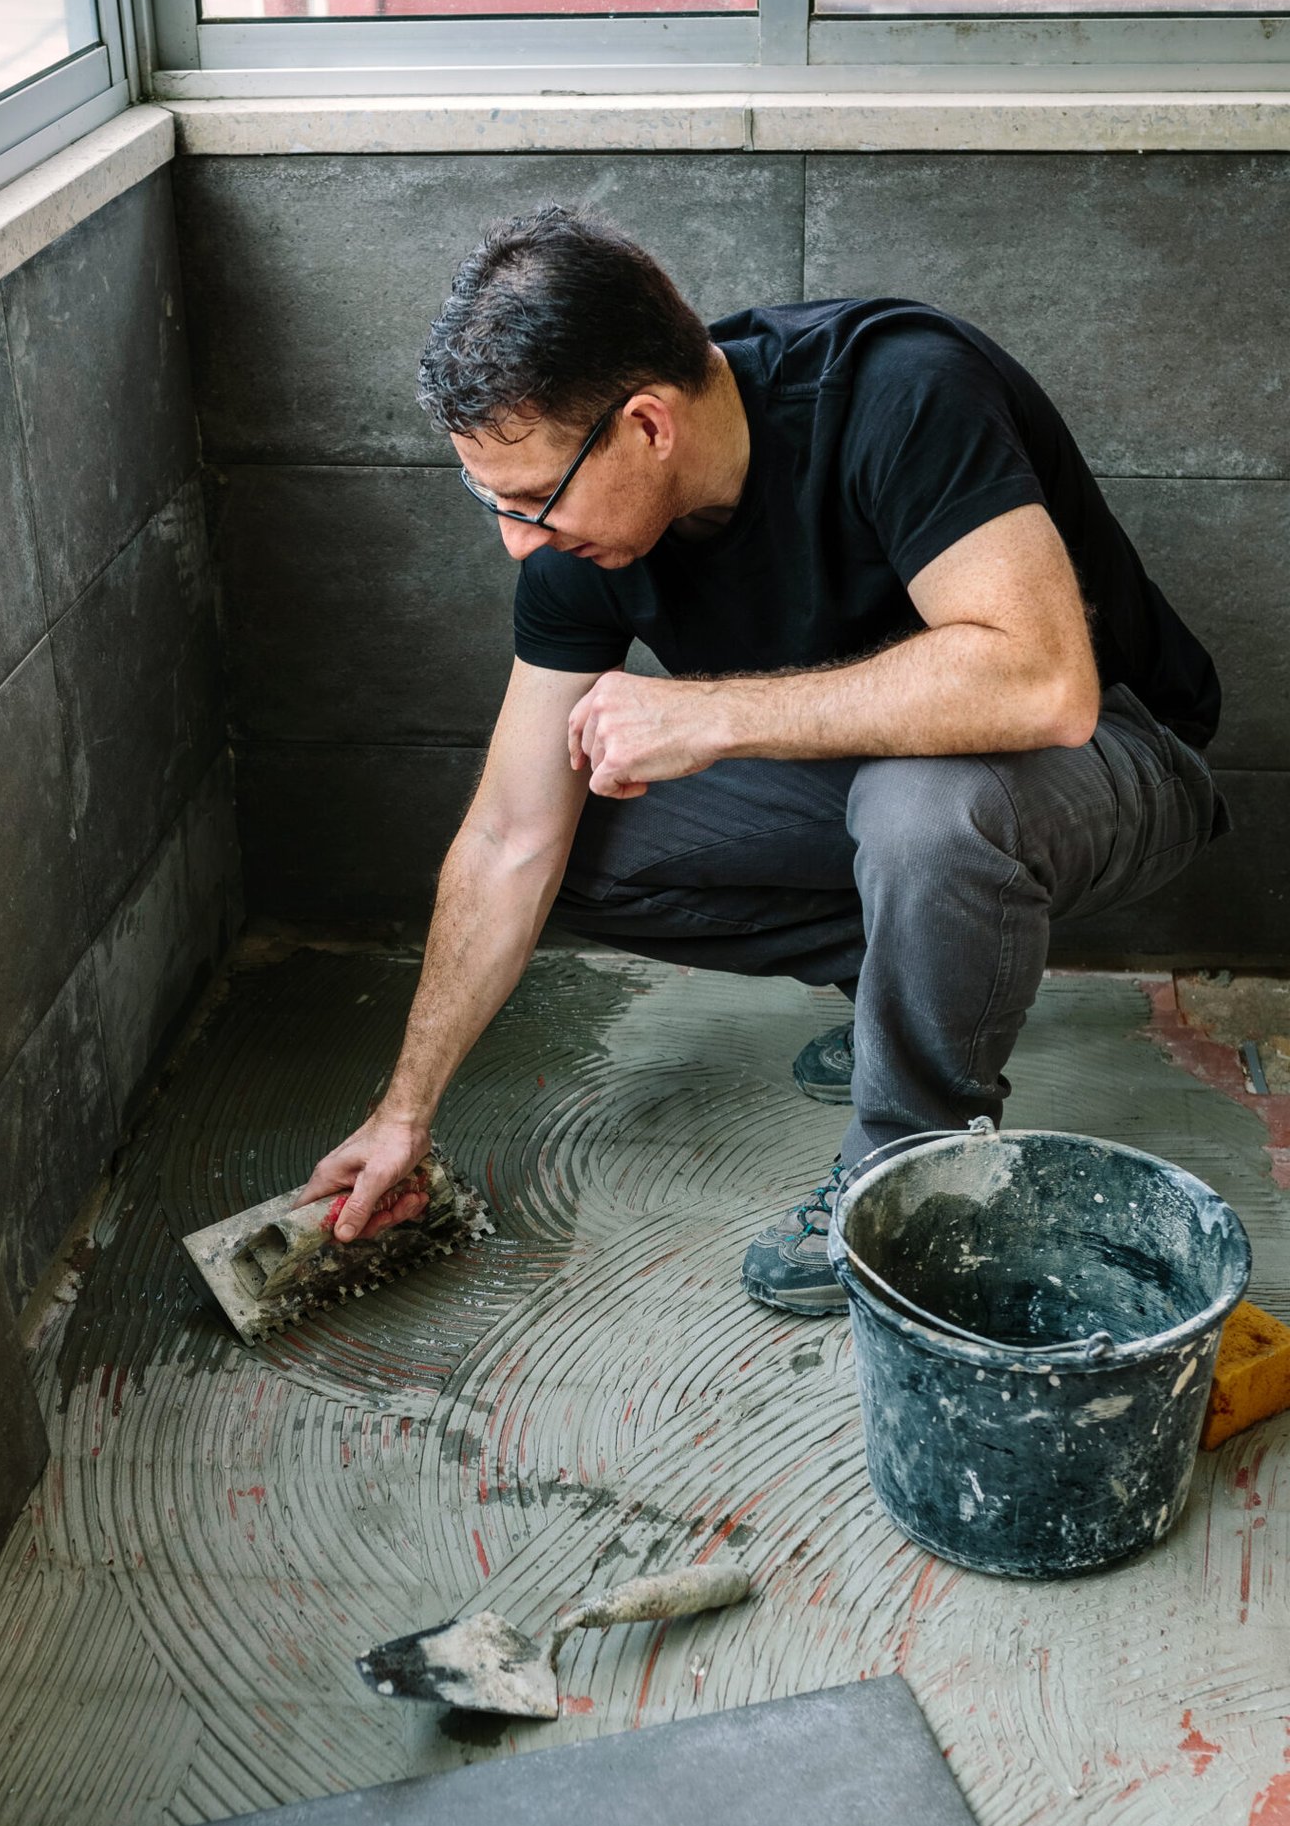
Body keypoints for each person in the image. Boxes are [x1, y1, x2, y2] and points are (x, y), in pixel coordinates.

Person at [299, 204, 1225, 1314]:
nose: (515, 538)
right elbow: (508, 833)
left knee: (921, 806)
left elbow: (1042, 683)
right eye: (488, 499)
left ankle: (908, 1176)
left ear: (647, 425)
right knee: (578, 843)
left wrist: (714, 717)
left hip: (1118, 746)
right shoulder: (580, 541)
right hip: (890, 781)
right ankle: (906, 997)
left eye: (532, 498)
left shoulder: (898, 391)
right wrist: (404, 1110)